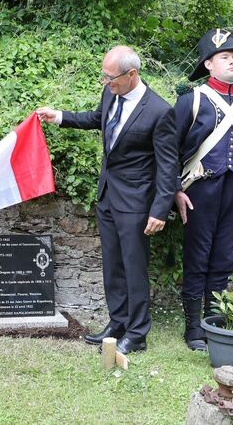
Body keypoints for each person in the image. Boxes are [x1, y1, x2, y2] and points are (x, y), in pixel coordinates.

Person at [37, 46, 177, 355]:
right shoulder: (111, 93)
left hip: (137, 203)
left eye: (110, 77)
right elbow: (97, 119)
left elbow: (168, 166)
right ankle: (118, 323)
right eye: (104, 76)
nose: (105, 82)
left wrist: (160, 210)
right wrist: (59, 116)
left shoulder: (160, 111)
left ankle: (137, 333)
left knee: (134, 267)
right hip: (108, 196)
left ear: (132, 75)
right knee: (113, 266)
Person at [174, 29, 233, 351]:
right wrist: (175, 189)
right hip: (199, 191)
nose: (232, 62)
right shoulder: (192, 99)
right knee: (197, 259)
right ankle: (192, 329)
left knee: (223, 259)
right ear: (208, 65)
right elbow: (169, 149)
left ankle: (212, 323)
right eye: (225, 57)